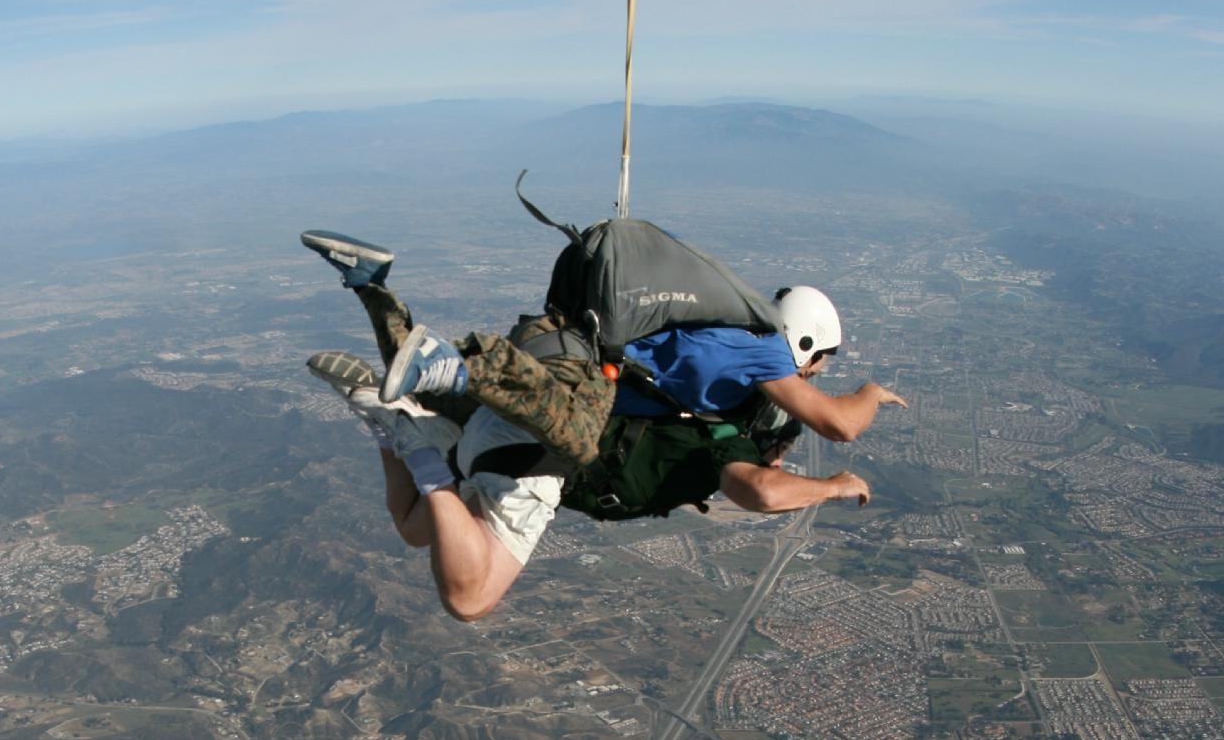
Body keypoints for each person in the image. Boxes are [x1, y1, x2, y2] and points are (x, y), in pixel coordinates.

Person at [299, 230, 902, 622]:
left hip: (518, 405)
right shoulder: (739, 404)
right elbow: (780, 473)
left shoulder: (698, 348)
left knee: (417, 529)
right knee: (469, 595)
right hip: (532, 454)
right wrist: (834, 483)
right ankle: (411, 431)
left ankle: (379, 326)